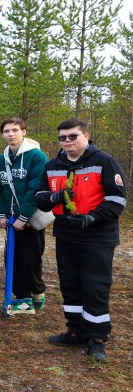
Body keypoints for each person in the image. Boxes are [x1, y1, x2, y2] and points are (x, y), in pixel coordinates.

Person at [35, 118, 126, 363]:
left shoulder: (103, 161)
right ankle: (76, 331)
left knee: (95, 287)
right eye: (62, 138)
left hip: (97, 237)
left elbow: (117, 201)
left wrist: (92, 218)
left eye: (72, 136)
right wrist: (55, 196)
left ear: (86, 135)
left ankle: (96, 339)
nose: (67, 142)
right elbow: (40, 197)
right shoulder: (53, 165)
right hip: (66, 234)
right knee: (70, 285)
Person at [0, 117, 48, 314]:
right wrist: (1, 214)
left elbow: (35, 188)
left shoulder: (37, 157)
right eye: (7, 131)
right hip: (10, 220)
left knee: (30, 260)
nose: (11, 134)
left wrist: (22, 217)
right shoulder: (3, 159)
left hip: (30, 219)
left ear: (24, 131)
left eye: (15, 130)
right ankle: (21, 300)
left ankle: (37, 291)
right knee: (12, 261)